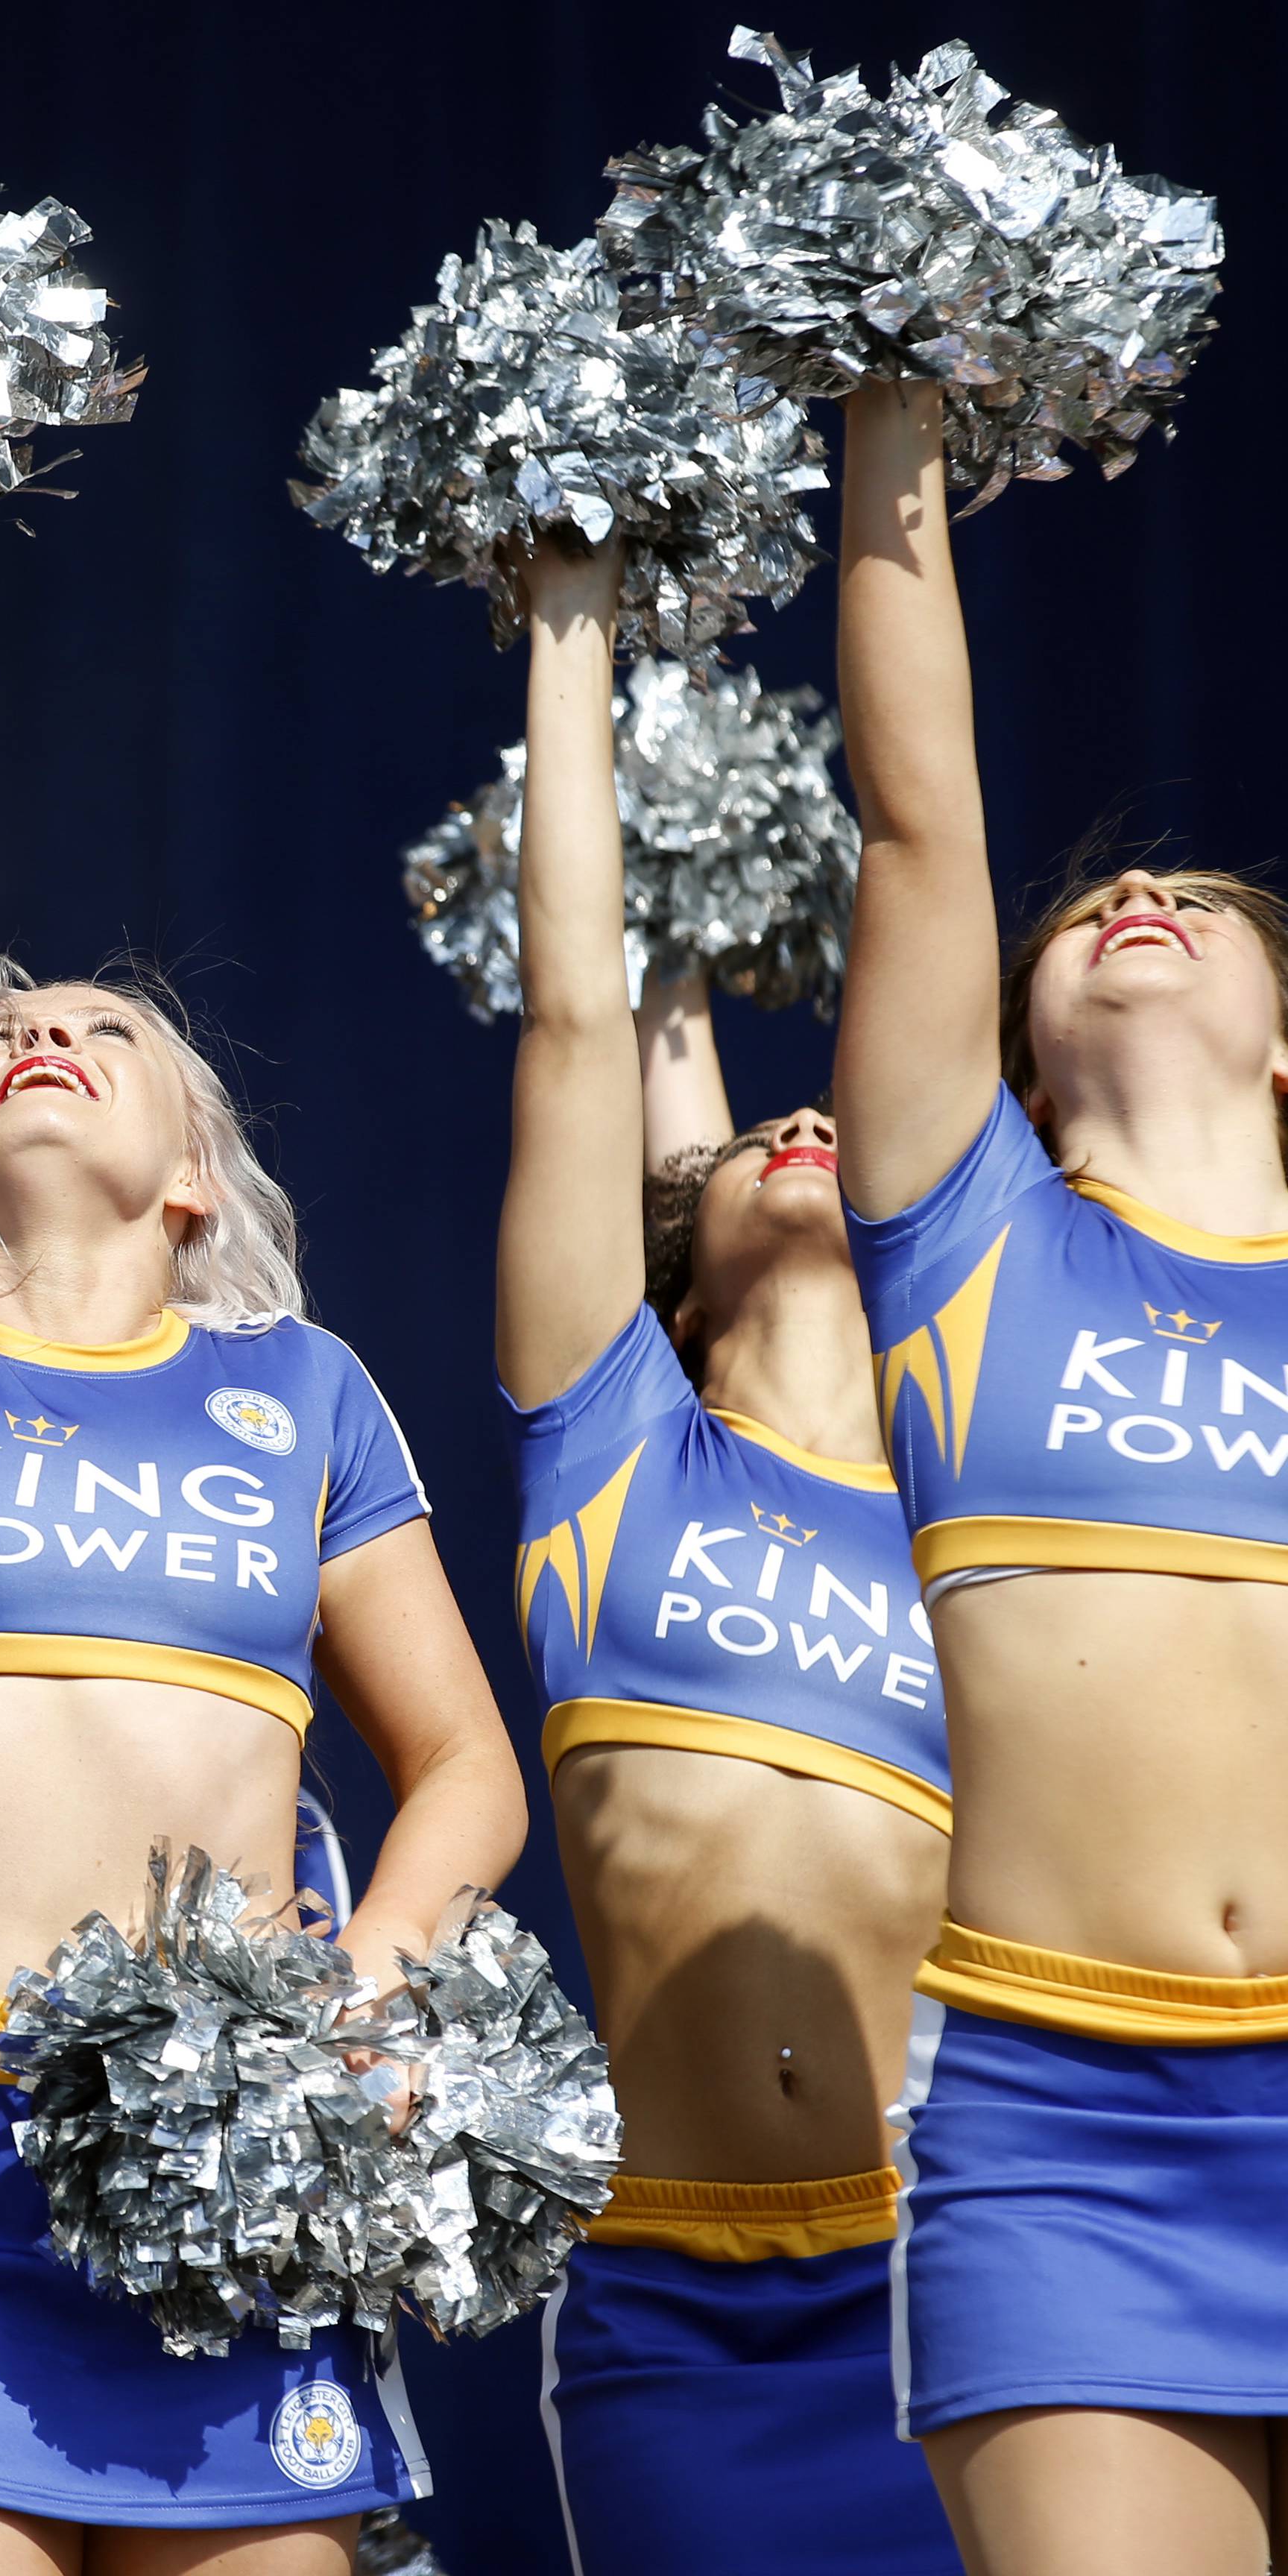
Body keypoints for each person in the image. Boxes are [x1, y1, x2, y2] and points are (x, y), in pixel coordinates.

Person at [0, 959, 527, 2575]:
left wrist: (362, 1986)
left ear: (190, 1178)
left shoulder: (304, 1392)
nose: (42, 1040)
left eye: (105, 1033)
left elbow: (465, 1767)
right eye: (2, 1036)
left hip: (218, 2184)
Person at [835, 376, 1288, 2576]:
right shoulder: (967, 1245)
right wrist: (897, 400)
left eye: (1202, 896)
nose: (1136, 891)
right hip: (1068, 2123)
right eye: (1102, 892)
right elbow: (922, 823)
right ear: (1008, 1042)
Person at [498, 534, 962, 2575]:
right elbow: (586, 1029)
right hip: (671, 2302)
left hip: (955, 2274)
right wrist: (566, 622)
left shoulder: (984, 1508)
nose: (803, 1127)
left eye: (837, 1123)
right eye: (755, 1133)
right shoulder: (612, 1454)